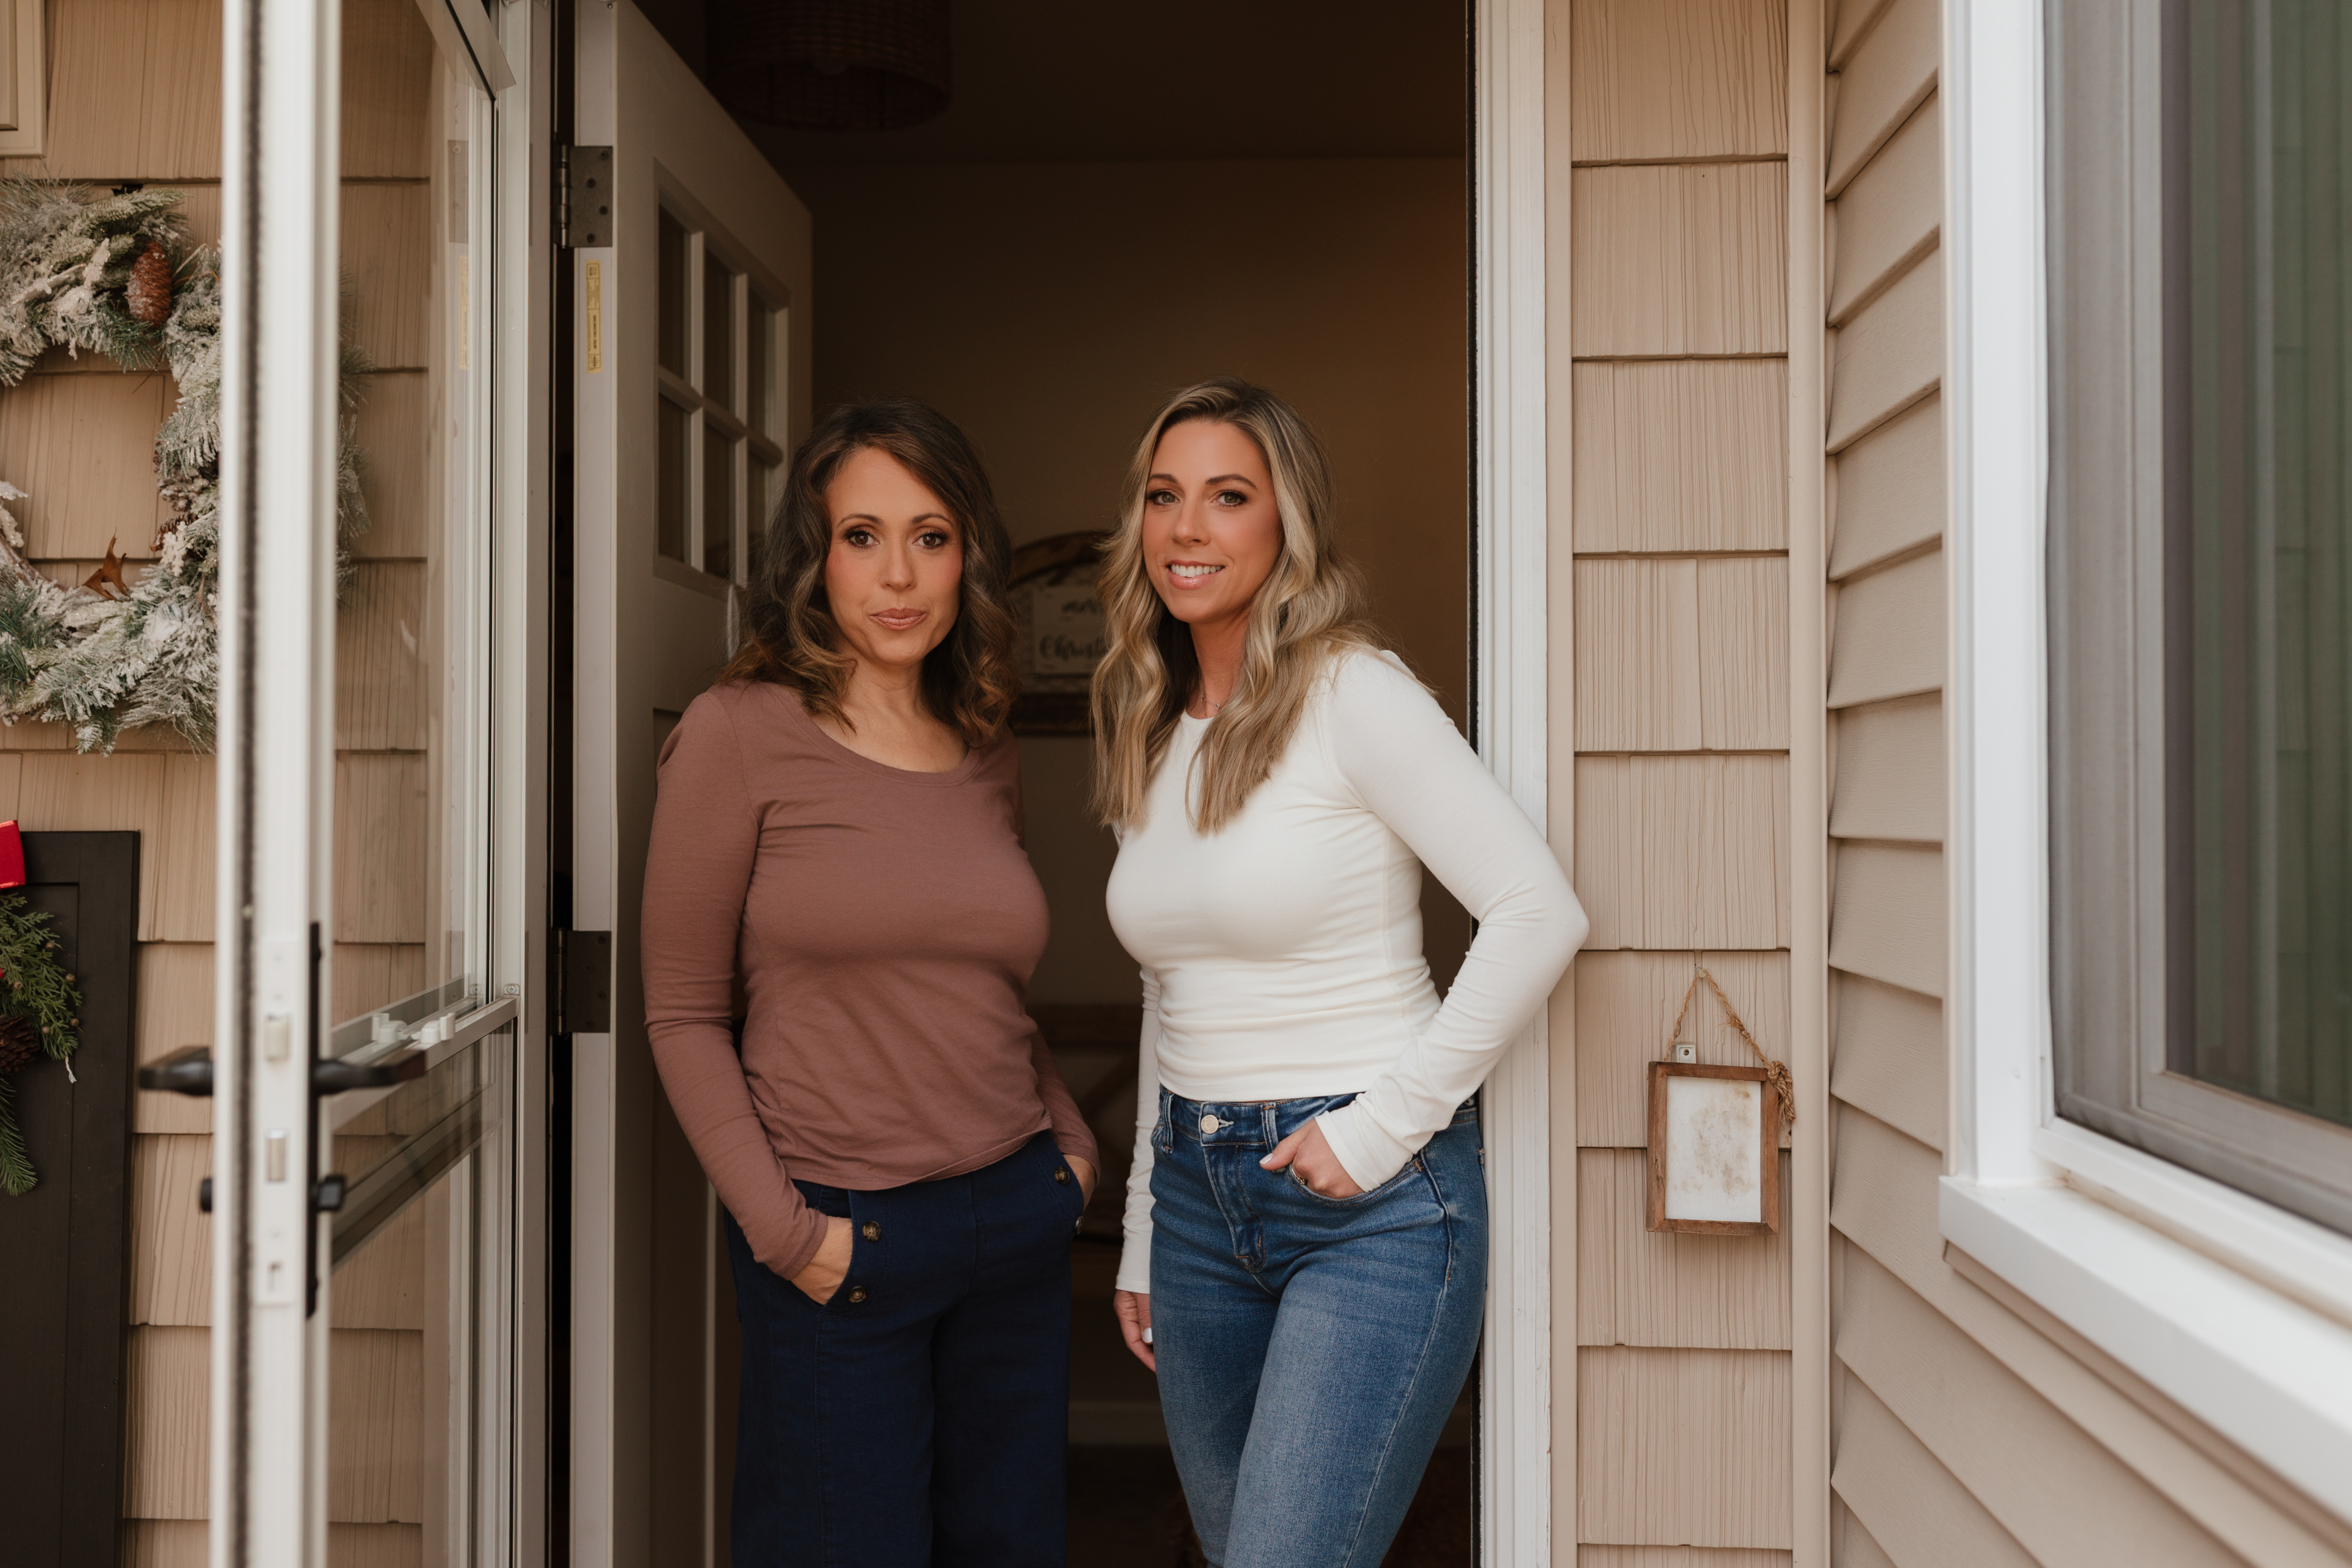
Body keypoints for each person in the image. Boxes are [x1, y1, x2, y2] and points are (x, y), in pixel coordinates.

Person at [1097, 378, 1587, 1567]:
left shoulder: (1353, 692)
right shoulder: (1151, 721)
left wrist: (1381, 1128)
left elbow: (1538, 913)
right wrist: (1146, 1230)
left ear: (1288, 522)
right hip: (1195, 1200)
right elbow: (1171, 990)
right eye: (1164, 496)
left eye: (1228, 497)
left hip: (1367, 1206)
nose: (1187, 528)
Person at [641, 397, 1099, 1568]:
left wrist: (1068, 1152)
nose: (899, 575)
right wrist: (789, 1236)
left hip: (1015, 1216)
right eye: (862, 536)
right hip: (841, 1236)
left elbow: (988, 986)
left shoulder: (983, 738)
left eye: (930, 537)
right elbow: (683, 1014)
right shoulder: (736, 733)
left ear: (967, 559)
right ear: (816, 559)